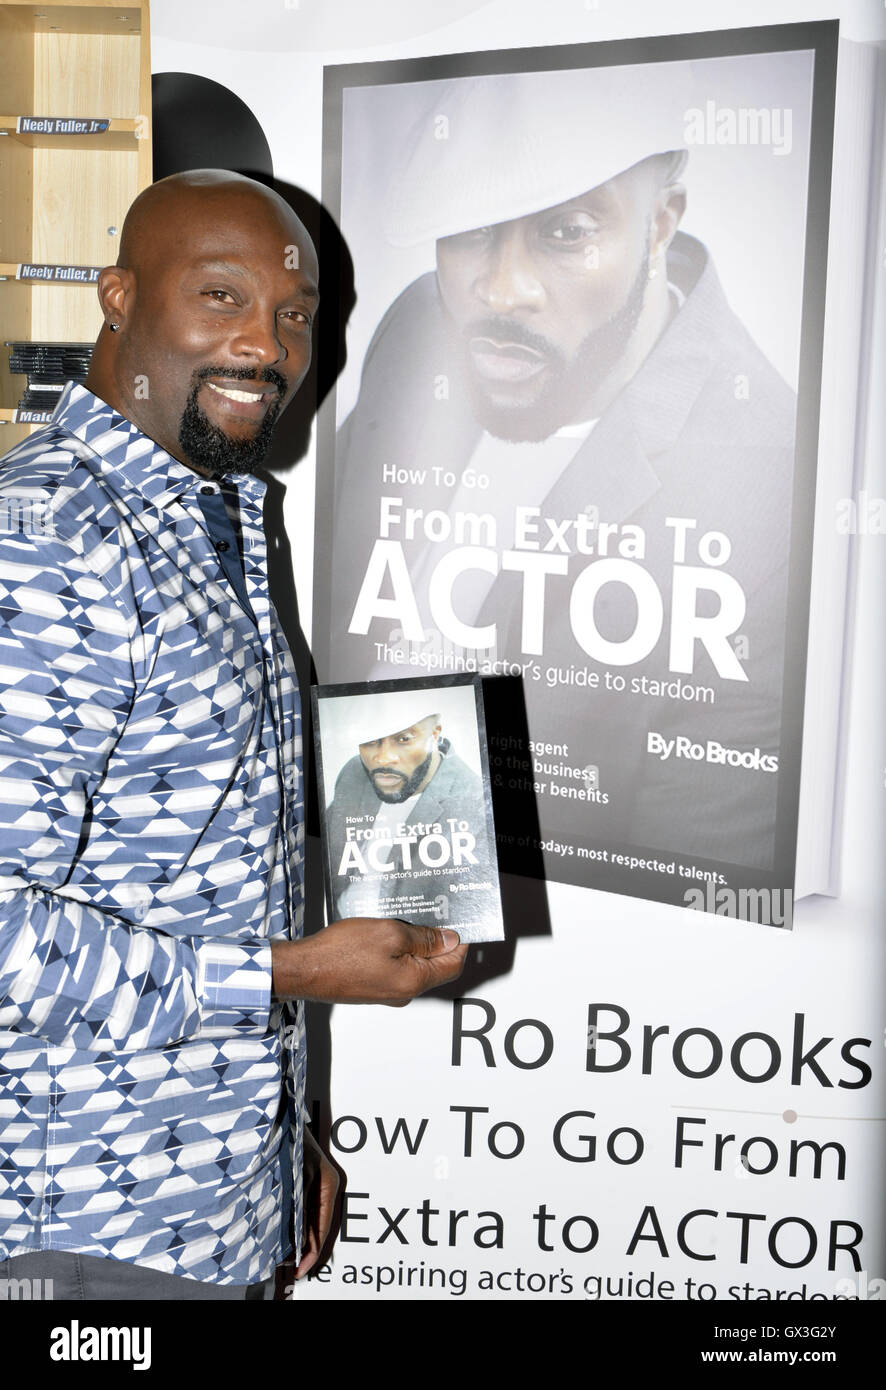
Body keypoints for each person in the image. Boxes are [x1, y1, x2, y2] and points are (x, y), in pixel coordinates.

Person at [0, 170, 467, 1301]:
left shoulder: (217, 511)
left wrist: (273, 1136)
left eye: (294, 314)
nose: (266, 345)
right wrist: (299, 972)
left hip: (217, 1195)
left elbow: (214, 864)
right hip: (83, 1219)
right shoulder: (45, 543)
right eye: (221, 297)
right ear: (117, 298)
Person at [328, 64, 797, 883]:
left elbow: (696, 896)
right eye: (470, 228)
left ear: (660, 224)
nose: (501, 289)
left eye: (568, 230)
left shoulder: (768, 492)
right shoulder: (418, 326)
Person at [324, 697, 498, 939]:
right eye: (371, 740)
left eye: (404, 739)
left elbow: (466, 923)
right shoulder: (354, 771)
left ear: (435, 734)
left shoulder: (475, 805)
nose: (383, 758)